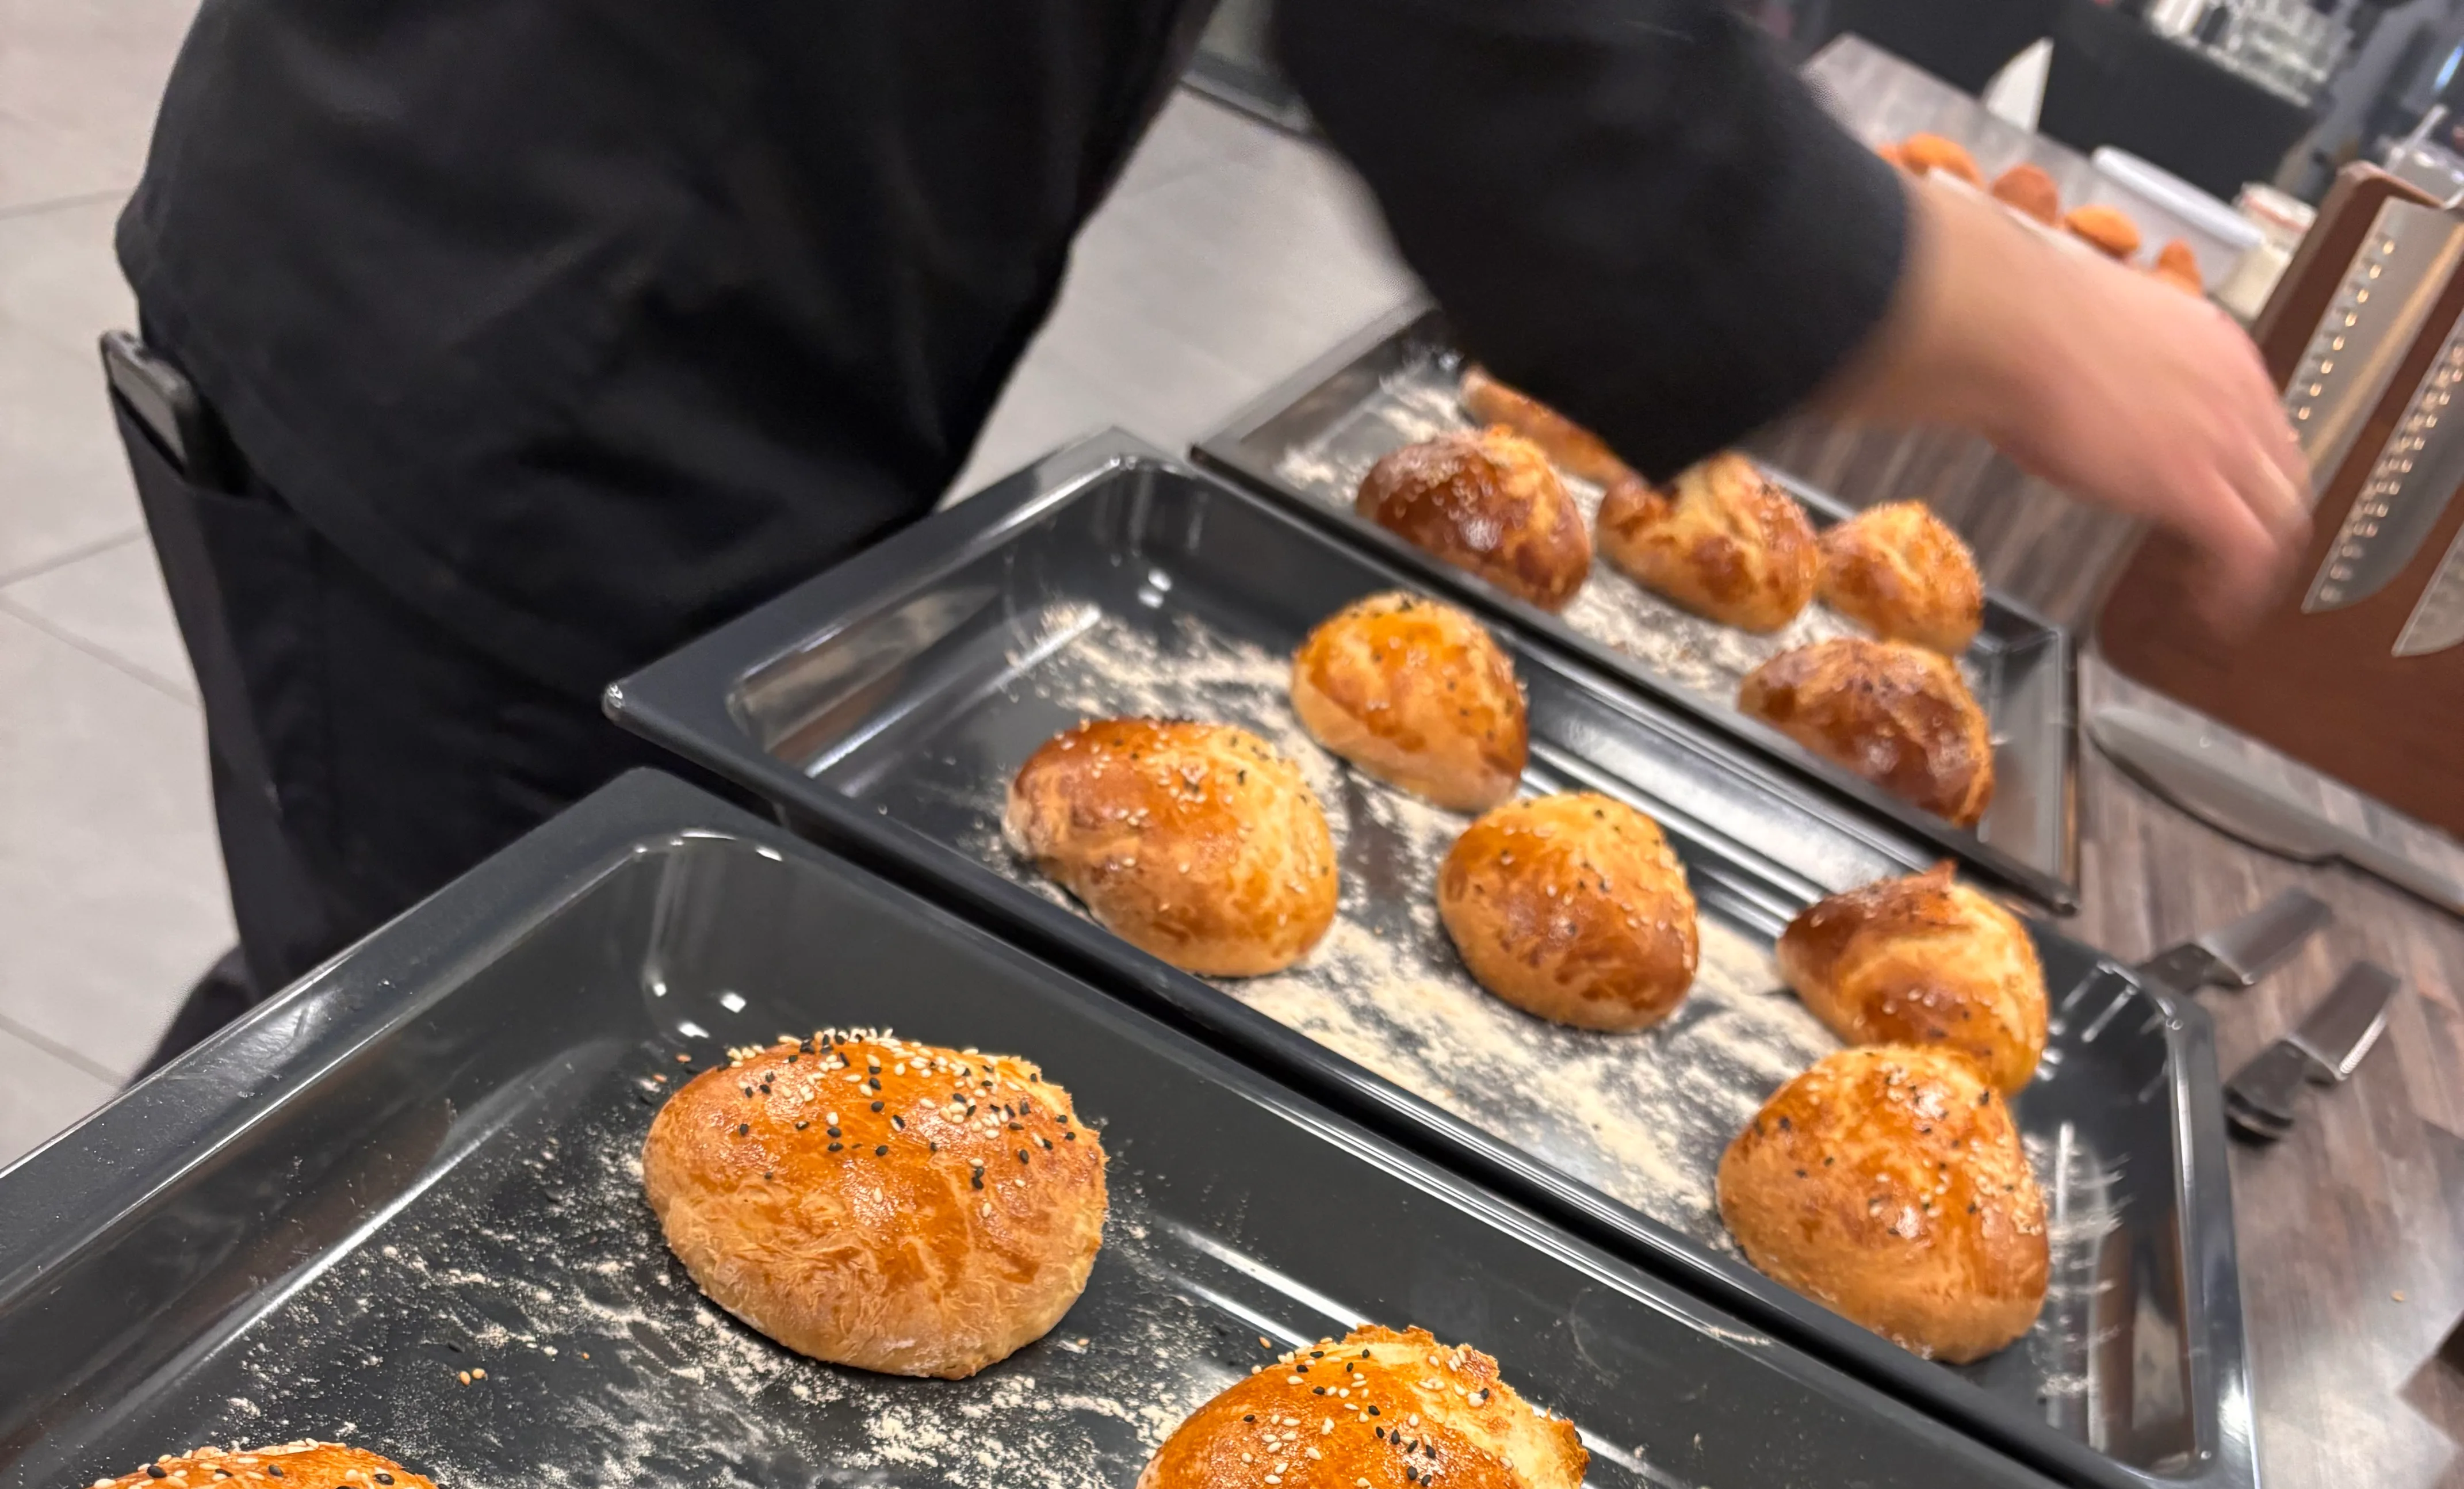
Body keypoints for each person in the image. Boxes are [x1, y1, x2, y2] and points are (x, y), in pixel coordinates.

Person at [114, 0, 2308, 1070]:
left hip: (536, 246)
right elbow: (1543, 101)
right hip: (530, 321)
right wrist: (1980, 302)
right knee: (429, 1061)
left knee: (357, 971)